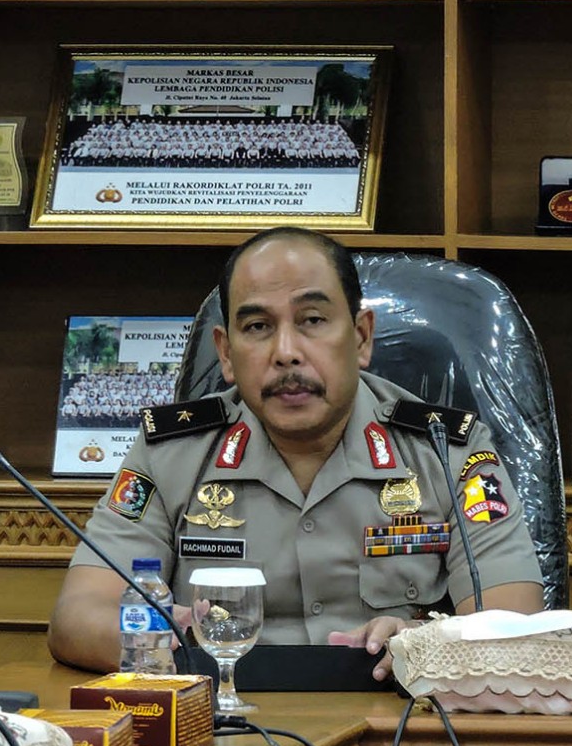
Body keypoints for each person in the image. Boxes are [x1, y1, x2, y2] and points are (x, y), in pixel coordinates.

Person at [47, 227, 545, 680]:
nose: (286, 351)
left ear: (361, 337)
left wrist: (426, 642)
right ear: (226, 353)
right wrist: (162, 637)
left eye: (312, 320)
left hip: (398, 723)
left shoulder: (445, 449)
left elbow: (513, 618)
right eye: (257, 327)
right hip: (224, 725)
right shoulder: (172, 454)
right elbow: (78, 618)